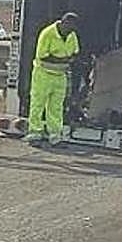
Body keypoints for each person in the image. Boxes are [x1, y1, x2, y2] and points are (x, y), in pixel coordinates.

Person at [25, 12, 80, 147]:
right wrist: (63, 60)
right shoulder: (48, 33)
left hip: (60, 75)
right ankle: (35, 134)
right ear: (63, 23)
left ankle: (55, 136)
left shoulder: (72, 35)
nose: (70, 31)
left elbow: (75, 52)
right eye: (69, 27)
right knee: (38, 104)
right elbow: (43, 56)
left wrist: (68, 60)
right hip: (43, 74)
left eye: (73, 28)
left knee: (56, 107)